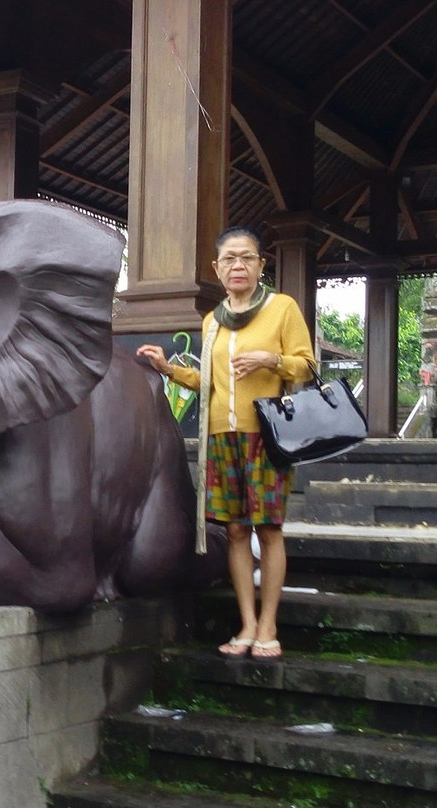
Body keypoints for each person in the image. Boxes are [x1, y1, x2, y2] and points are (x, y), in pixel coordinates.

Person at [137, 226, 314, 661]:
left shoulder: (281, 308)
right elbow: (211, 382)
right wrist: (169, 369)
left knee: (268, 530)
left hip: (266, 434)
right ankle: (247, 624)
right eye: (230, 259)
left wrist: (271, 359)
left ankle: (269, 625)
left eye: (247, 258)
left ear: (260, 265)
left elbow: (307, 366)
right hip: (221, 436)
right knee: (234, 531)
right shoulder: (212, 319)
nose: (238, 266)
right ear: (217, 269)